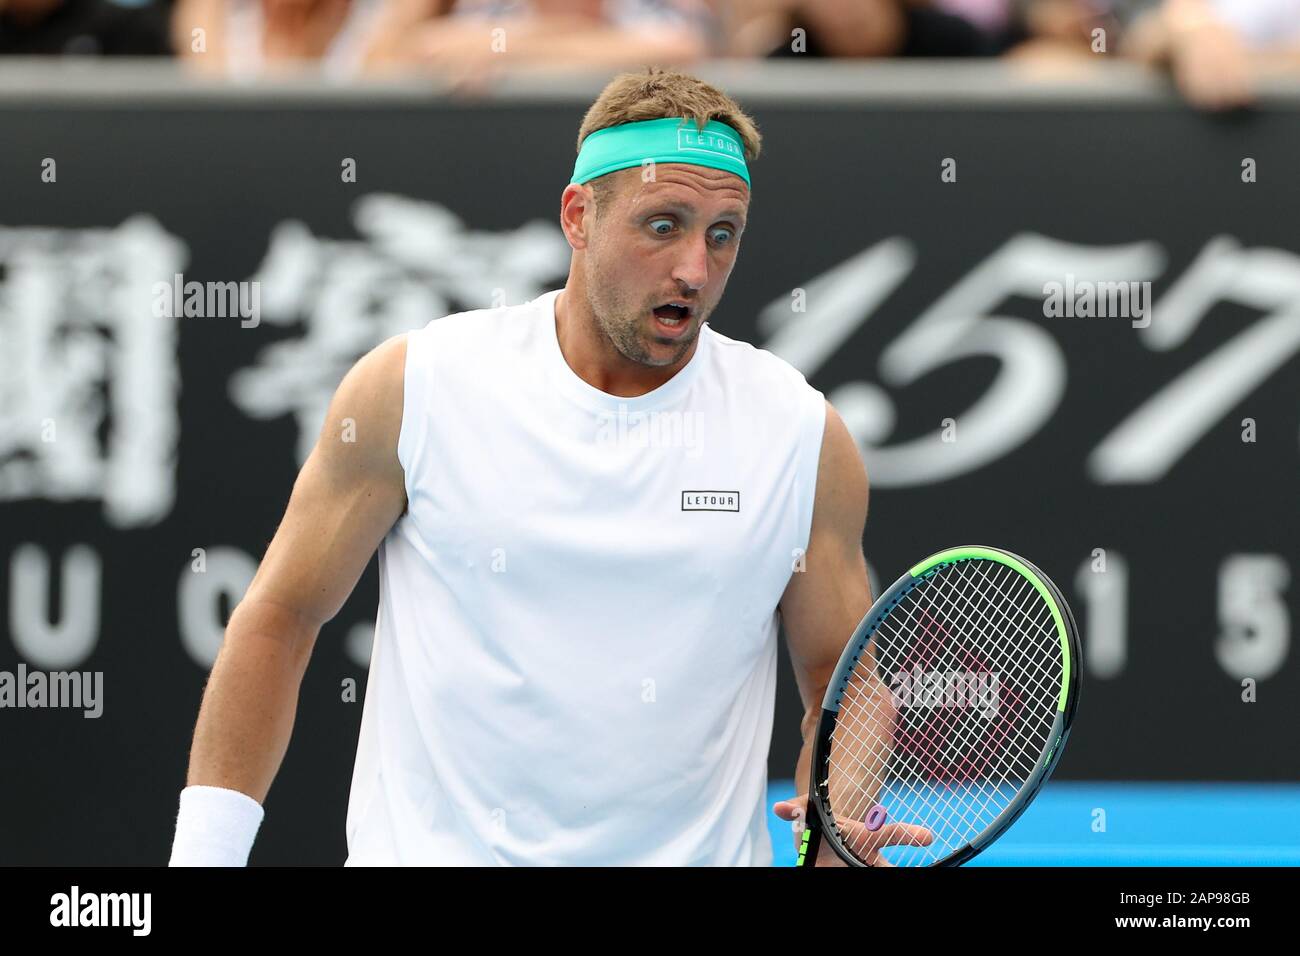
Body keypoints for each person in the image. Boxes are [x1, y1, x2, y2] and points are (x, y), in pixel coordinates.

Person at [168, 66, 932, 866]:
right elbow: (281, 618)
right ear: (579, 216)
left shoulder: (801, 436)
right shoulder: (415, 388)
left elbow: (839, 683)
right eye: (662, 224)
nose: (695, 271)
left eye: (722, 233)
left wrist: (836, 828)